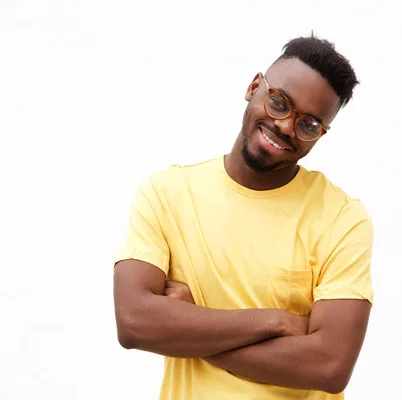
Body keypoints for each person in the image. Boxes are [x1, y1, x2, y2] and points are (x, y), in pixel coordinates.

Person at [113, 34, 374, 400]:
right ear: (254, 87)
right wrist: (276, 321)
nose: (285, 126)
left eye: (309, 125)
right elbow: (134, 322)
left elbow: (330, 367)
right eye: (279, 102)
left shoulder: (342, 219)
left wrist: (188, 326)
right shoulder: (167, 193)